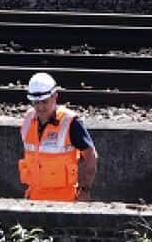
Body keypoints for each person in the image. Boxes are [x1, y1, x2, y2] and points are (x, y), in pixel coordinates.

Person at [18, 72, 98, 202]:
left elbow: (91, 156)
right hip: (34, 197)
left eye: (44, 102)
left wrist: (85, 190)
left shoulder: (70, 122)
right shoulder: (28, 120)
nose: (40, 107)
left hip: (64, 199)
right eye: (36, 103)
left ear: (55, 96)